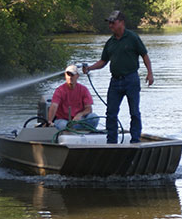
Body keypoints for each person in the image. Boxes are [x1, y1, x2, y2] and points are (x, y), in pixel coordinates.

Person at [82, 10, 153, 144]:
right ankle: (111, 142)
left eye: (113, 23)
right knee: (111, 113)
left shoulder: (132, 38)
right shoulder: (110, 42)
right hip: (115, 82)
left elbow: (144, 55)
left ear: (121, 22)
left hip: (131, 79)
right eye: (109, 23)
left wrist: (150, 73)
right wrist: (90, 68)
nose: (110, 26)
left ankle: (135, 140)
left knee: (134, 112)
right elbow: (103, 61)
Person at [46, 65, 100, 130]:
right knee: (63, 125)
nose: (70, 77)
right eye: (68, 75)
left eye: (72, 75)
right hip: (63, 120)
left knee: (94, 117)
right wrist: (49, 121)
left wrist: (80, 115)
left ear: (77, 76)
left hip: (79, 120)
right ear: (65, 76)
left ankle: (82, 131)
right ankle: (77, 130)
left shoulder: (84, 90)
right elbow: (54, 105)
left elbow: (89, 109)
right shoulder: (59, 90)